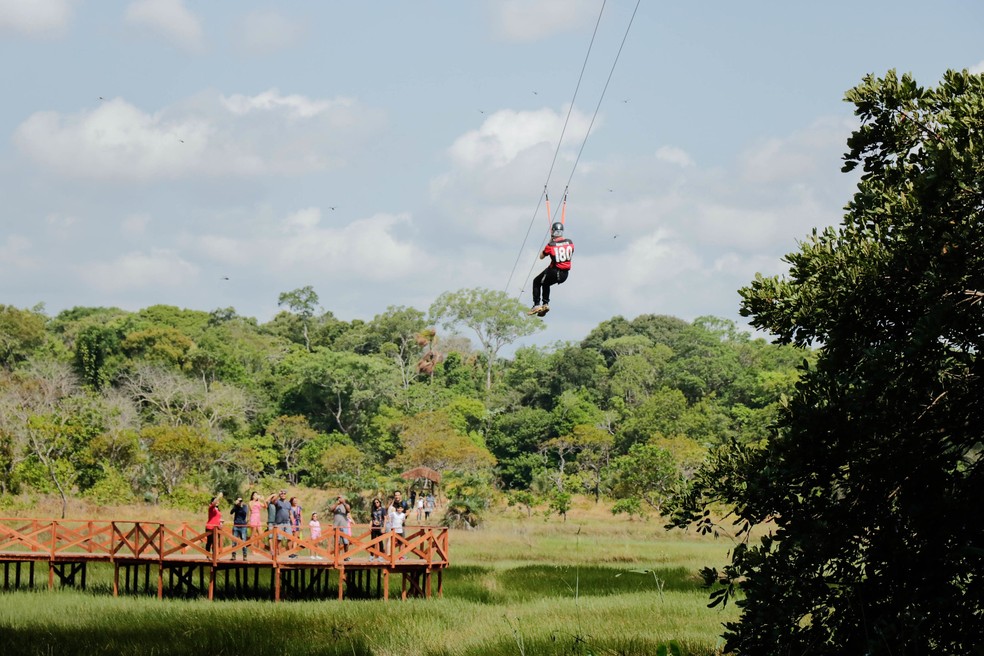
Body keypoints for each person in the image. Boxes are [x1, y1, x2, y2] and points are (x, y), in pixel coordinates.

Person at [528, 222, 574, 316]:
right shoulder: (570, 242)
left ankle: (536, 305)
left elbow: (541, 256)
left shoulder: (551, 245)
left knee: (536, 281)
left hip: (554, 271)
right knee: (546, 283)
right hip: (565, 275)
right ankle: (545, 304)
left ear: (553, 231)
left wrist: (550, 242)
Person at [230, 495, 248, 561]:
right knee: (234, 541)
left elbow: (244, 513)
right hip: (236, 525)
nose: (240, 502)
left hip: (243, 526)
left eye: (241, 500)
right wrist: (235, 506)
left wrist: (241, 507)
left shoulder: (244, 506)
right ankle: (233, 555)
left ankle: (245, 556)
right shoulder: (235, 507)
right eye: (239, 500)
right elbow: (231, 512)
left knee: (243, 541)